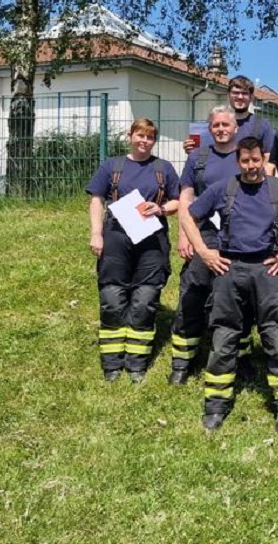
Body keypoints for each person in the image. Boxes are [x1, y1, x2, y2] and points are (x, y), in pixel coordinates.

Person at [181, 137, 278, 433]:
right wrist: (204, 252)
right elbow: (188, 215)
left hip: (269, 269)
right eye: (245, 161)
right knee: (224, 336)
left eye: (256, 160)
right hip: (229, 268)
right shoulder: (224, 188)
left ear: (263, 160)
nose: (251, 166)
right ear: (238, 161)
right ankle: (216, 405)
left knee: (276, 335)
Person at [86, 118, 180, 383]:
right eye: (140, 135)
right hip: (116, 238)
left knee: (145, 300)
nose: (144, 141)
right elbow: (96, 200)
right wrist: (96, 234)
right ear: (130, 136)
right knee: (112, 298)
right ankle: (112, 365)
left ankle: (137, 364)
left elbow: (179, 201)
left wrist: (161, 208)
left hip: (152, 240)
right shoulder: (111, 167)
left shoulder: (164, 169)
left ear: (154, 140)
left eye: (149, 137)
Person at [168, 105, 242, 384]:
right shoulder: (197, 158)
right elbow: (186, 197)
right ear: (209, 129)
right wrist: (185, 235)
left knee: (237, 300)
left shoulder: (245, 157)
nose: (221, 129)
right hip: (204, 234)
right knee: (193, 292)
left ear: (236, 128)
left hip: (239, 238)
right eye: (216, 126)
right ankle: (182, 362)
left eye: (226, 125)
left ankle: (239, 359)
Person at [184, 75, 276, 172]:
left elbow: (268, 158)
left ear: (251, 97)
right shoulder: (213, 123)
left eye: (244, 93)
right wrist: (192, 150)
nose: (240, 97)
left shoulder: (262, 125)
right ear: (229, 95)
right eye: (236, 93)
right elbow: (202, 155)